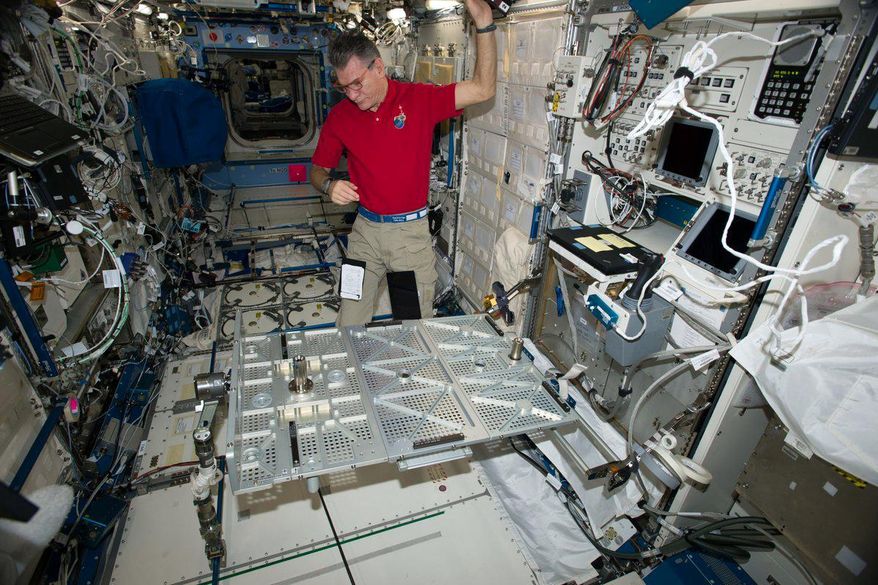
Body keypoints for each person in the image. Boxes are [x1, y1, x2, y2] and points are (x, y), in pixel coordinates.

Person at [310, 0, 497, 326]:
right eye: (344, 88)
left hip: (409, 237)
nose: (352, 95)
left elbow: (483, 89)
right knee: (348, 321)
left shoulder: (418, 100)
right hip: (364, 235)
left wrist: (484, 21)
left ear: (378, 68)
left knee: (412, 328)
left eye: (357, 83)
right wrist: (329, 185)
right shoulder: (340, 117)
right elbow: (317, 171)